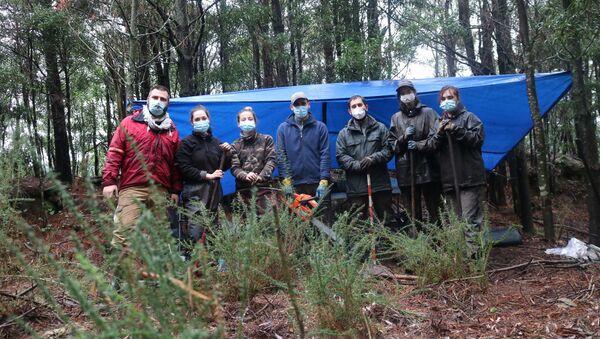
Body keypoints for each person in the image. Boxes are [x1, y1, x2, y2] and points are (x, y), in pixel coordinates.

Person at [102, 84, 182, 250]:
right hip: (132, 187)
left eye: (163, 99)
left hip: (161, 190)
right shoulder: (129, 123)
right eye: (155, 98)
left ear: (167, 104)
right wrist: (109, 181)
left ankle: (154, 275)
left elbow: (175, 164)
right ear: (148, 99)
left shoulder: (172, 130)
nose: (158, 102)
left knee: (160, 237)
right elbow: (114, 153)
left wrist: (175, 190)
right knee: (123, 234)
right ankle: (122, 275)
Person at [424, 85, 486, 251]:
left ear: (457, 99)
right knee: (456, 222)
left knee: (469, 221)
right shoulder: (438, 123)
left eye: (450, 97)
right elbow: (430, 146)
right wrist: (440, 133)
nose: (446, 101)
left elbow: (477, 140)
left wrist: (456, 130)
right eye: (443, 99)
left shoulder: (469, 118)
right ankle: (461, 260)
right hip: (450, 181)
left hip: (469, 178)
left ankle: (474, 260)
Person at [175, 105, 232, 243]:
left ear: (209, 119)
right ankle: (194, 260)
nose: (201, 121)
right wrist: (206, 175)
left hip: (214, 192)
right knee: (195, 232)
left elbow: (224, 167)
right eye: (197, 119)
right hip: (194, 193)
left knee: (213, 232)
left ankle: (213, 263)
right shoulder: (186, 144)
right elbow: (184, 168)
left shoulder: (216, 143)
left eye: (204, 118)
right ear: (192, 122)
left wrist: (228, 154)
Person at [389, 80, 442, 225]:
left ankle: (437, 242)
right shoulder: (396, 118)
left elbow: (438, 138)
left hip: (429, 169)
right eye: (402, 93)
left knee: (435, 210)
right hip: (406, 171)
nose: (406, 96)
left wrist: (419, 145)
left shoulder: (429, 113)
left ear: (414, 93)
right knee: (412, 212)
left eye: (408, 92)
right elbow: (392, 145)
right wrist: (404, 137)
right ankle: (417, 241)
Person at [336, 95, 393, 225]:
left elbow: (388, 150)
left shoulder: (380, 128)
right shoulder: (343, 134)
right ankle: (364, 246)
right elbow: (341, 156)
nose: (357, 108)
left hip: (380, 185)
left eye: (360, 105)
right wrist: (358, 165)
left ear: (366, 107)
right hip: (356, 188)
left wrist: (373, 159)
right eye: (354, 106)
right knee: (358, 225)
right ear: (349, 111)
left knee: (387, 221)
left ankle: (387, 245)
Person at [276, 92, 331, 221]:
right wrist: (286, 180)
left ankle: (325, 242)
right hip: (294, 184)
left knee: (323, 220)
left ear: (308, 105)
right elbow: (281, 155)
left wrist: (324, 180)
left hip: (317, 183)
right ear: (291, 107)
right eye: (297, 104)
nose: (300, 107)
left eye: (303, 103)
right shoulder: (283, 129)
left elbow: (325, 154)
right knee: (297, 223)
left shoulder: (320, 127)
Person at [230, 106, 277, 212]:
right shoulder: (235, 145)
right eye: (243, 119)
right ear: (238, 123)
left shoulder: (266, 139)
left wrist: (260, 177)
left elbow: (272, 160)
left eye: (250, 119)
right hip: (243, 192)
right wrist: (246, 176)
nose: (247, 121)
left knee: (269, 224)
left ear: (255, 121)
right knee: (247, 225)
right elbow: (234, 168)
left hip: (265, 189)